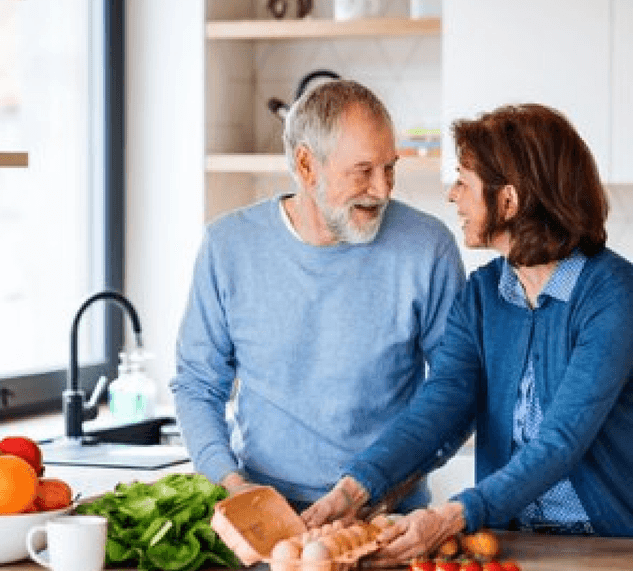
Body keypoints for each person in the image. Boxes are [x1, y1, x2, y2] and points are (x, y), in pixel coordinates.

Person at [302, 103, 633, 564]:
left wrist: (455, 514)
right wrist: (355, 487)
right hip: (509, 546)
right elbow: (439, 408)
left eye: (464, 181)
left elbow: (562, 438)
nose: (453, 196)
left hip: (610, 547)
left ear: (509, 200)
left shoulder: (612, 294)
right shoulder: (483, 294)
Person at [170, 80, 465, 511]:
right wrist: (232, 485)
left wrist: (379, 493)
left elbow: (456, 393)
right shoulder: (227, 247)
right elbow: (197, 384)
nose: (383, 190)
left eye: (390, 168)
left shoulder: (427, 248)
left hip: (387, 517)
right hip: (266, 516)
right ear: (307, 166)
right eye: (363, 171)